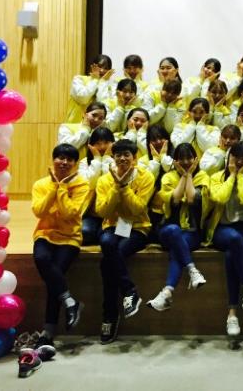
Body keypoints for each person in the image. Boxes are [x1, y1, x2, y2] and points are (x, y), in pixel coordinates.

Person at [95, 139, 154, 344]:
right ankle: (129, 291)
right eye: (118, 155)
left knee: (108, 262)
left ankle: (109, 316)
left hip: (137, 227)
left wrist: (124, 187)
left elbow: (138, 209)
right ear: (113, 158)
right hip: (113, 226)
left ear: (134, 157)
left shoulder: (146, 177)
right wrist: (115, 187)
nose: (122, 158)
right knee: (107, 243)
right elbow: (102, 211)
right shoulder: (104, 180)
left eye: (126, 155)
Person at [31, 144, 88, 346]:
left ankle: (47, 333)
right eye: (60, 158)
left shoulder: (81, 185)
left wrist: (62, 188)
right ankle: (70, 302)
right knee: (42, 259)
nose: (64, 162)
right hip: (45, 234)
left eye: (69, 159)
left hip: (70, 237)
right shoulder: (41, 184)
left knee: (54, 279)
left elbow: (69, 213)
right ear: (53, 160)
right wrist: (54, 188)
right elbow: (39, 211)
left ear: (75, 164)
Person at [206, 141, 243, 335]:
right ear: (228, 157)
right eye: (235, 157)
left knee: (232, 253)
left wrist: (240, 177)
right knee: (233, 240)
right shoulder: (216, 177)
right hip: (221, 229)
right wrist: (231, 176)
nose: (239, 161)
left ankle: (232, 314)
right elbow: (220, 197)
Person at [147, 143, 209, 312]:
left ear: (195, 159)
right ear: (175, 161)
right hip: (167, 229)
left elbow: (191, 199)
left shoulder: (202, 176)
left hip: (192, 232)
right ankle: (192, 270)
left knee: (178, 249)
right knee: (174, 231)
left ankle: (167, 292)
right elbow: (175, 199)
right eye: (181, 158)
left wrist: (189, 175)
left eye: (189, 158)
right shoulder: (168, 177)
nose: (186, 162)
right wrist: (185, 175)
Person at [65, 54, 113, 123]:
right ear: (92, 67)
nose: (102, 70)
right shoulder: (79, 79)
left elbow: (102, 106)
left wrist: (103, 83)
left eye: (106, 68)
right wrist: (95, 80)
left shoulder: (109, 88)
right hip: (75, 125)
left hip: (95, 126)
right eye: (99, 66)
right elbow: (83, 98)